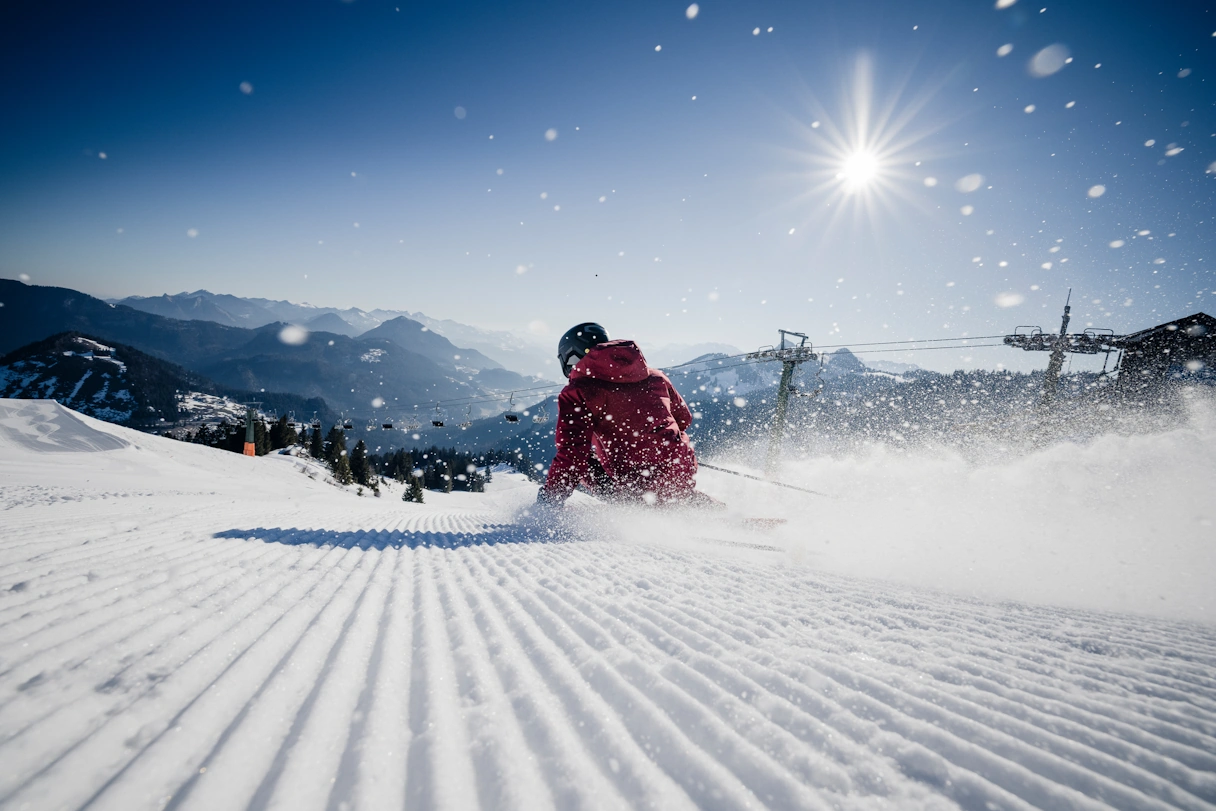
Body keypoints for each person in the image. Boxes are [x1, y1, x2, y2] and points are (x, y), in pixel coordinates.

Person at [537, 322, 709, 508]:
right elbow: (683, 419)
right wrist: (657, 444)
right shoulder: (656, 377)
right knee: (675, 495)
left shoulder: (578, 392)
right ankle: (720, 515)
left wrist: (551, 497)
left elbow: (573, 452)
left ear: (574, 356)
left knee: (585, 459)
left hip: (632, 484)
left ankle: (626, 508)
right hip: (680, 469)